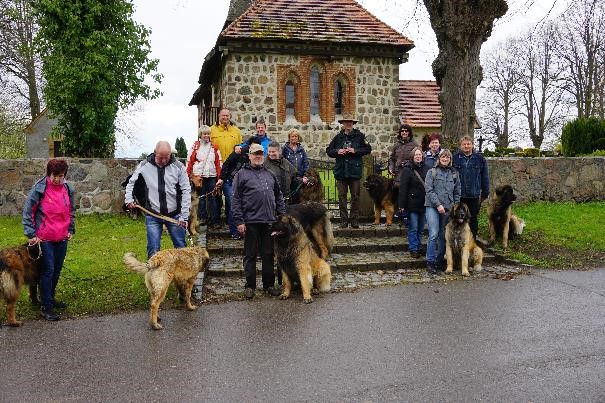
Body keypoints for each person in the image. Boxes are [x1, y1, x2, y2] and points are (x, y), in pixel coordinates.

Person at [231, 143, 286, 299]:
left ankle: (269, 285)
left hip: (269, 221)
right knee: (250, 255)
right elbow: (235, 199)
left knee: (268, 254)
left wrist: (281, 215)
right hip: (250, 221)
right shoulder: (241, 174)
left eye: (261, 154)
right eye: (255, 154)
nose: (258, 156)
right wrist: (239, 221)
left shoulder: (270, 173)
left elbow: (278, 196)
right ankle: (250, 286)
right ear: (249, 156)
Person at [22, 159, 76, 321]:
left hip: (62, 237)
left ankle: (50, 299)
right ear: (48, 174)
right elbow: (27, 213)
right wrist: (31, 234)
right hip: (44, 238)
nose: (57, 179)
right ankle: (46, 307)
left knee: (57, 270)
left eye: (60, 176)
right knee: (48, 270)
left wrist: (70, 229)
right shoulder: (39, 189)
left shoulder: (68, 188)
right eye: (54, 175)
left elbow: (71, 211)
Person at [125, 141, 191, 259]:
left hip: (174, 215)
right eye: (161, 158)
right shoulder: (144, 165)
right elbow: (131, 182)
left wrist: (184, 216)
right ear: (155, 153)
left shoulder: (179, 166)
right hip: (153, 214)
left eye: (167, 157)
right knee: (153, 249)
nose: (164, 161)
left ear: (170, 154)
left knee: (181, 248)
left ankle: (183, 276)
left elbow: (186, 190)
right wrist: (128, 199)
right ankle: (152, 276)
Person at [325, 113, 372, 229]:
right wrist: (337, 151)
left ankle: (354, 220)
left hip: (354, 172)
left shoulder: (360, 136)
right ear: (343, 124)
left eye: (350, 122)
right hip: (341, 172)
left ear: (353, 123)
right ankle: (344, 221)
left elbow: (368, 149)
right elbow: (329, 151)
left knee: (355, 196)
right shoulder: (338, 137)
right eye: (346, 122)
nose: (348, 124)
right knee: (342, 197)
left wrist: (355, 150)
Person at [424, 149, 460, 275]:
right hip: (432, 207)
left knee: (443, 236)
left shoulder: (454, 174)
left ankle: (439, 261)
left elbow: (457, 192)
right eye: (443, 157)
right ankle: (430, 262)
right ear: (439, 159)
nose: (445, 159)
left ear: (450, 160)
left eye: (447, 158)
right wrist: (438, 204)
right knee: (433, 233)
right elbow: (429, 190)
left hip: (448, 209)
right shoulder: (431, 172)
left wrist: (455, 205)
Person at [452, 135, 490, 240]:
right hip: (460, 195)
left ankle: (472, 242)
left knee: (472, 220)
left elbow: (485, 177)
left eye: (468, 144)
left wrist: (485, 193)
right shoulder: (455, 158)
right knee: (458, 219)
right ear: (460, 146)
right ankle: (459, 242)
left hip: (474, 195)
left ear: (472, 145)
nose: (466, 146)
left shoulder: (480, 159)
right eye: (464, 144)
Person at [210, 108, 242, 225]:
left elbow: (240, 150)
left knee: (231, 196)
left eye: (227, 116)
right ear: (219, 116)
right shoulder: (211, 130)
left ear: (230, 117)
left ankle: (230, 221)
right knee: (215, 196)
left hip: (231, 169)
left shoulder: (236, 131)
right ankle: (215, 221)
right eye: (223, 115)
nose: (225, 118)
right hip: (215, 167)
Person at [186, 125, 222, 228]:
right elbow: (190, 161)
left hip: (211, 176)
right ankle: (202, 219)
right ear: (200, 135)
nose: (206, 135)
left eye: (208, 133)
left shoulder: (214, 147)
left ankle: (214, 220)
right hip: (199, 177)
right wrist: (187, 175)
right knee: (201, 199)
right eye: (204, 133)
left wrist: (219, 177)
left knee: (213, 198)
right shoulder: (195, 146)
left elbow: (218, 163)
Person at [398, 147, 429, 259]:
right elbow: (403, 188)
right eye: (416, 155)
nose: (418, 156)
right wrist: (401, 205)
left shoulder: (426, 168)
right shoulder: (407, 170)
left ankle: (418, 245)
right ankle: (413, 248)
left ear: (422, 156)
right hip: (412, 204)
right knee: (413, 228)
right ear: (412, 157)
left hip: (424, 203)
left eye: (420, 155)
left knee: (421, 229)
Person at [282, 128, 310, 204]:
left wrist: (305, 175)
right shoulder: (285, 149)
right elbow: (282, 162)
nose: (294, 138)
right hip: (289, 178)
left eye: (296, 136)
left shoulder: (301, 149)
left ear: (298, 138)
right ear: (289, 137)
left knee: (299, 199)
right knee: (290, 198)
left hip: (300, 178)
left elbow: (305, 163)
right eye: (292, 136)